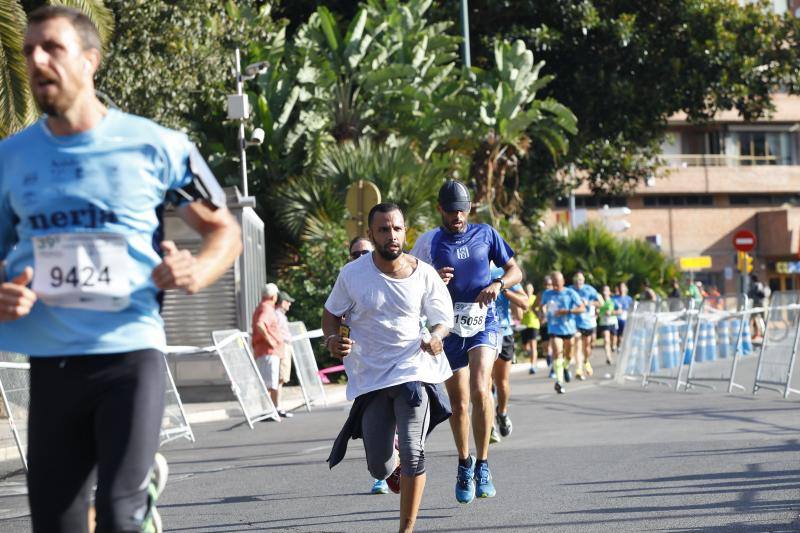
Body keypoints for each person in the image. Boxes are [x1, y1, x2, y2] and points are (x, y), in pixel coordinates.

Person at [0, 7, 242, 532]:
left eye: (52, 48)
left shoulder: (157, 145)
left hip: (130, 351)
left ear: (91, 60)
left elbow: (224, 231)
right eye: (28, 51)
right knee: (56, 523)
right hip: (51, 360)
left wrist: (196, 272)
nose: (36, 60)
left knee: (118, 512)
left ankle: (139, 500)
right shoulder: (10, 157)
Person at [325, 203, 454, 533]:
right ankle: (391, 469)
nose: (391, 235)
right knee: (379, 467)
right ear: (371, 234)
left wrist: (437, 337)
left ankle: (405, 529)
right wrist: (331, 340)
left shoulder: (423, 272)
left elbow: (442, 319)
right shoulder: (352, 275)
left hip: (414, 371)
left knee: (414, 452)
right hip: (371, 378)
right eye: (383, 229)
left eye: (396, 228)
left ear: (405, 231)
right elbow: (331, 314)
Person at [410, 179, 522, 503]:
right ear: (440, 210)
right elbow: (412, 283)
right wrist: (434, 279)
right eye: (450, 212)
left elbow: (515, 269)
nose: (457, 217)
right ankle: (464, 462)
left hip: (483, 321)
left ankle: (484, 463)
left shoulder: (485, 233)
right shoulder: (429, 241)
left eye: (461, 211)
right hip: (448, 328)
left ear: (469, 208)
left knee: (480, 387)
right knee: (458, 403)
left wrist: (499, 284)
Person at [346, 237, 394, 496]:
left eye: (366, 252)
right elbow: (334, 317)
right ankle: (382, 472)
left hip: (395, 362)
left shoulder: (394, 273)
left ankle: (396, 462)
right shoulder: (347, 281)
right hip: (363, 366)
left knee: (398, 416)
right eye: (356, 254)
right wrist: (336, 339)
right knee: (372, 423)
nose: (361, 256)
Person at [490, 266, 527, 439]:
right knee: (483, 384)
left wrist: (502, 287)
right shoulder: (469, 267)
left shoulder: (502, 272)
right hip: (480, 335)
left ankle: (502, 413)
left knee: (501, 383)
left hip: (503, 333)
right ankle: (488, 425)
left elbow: (524, 303)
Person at [540, 272, 585, 394]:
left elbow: (582, 308)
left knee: (569, 355)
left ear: (563, 282)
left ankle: (565, 366)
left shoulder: (570, 293)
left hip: (569, 329)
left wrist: (568, 311)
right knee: (557, 353)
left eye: (557, 283)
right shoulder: (547, 294)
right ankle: (559, 382)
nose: (554, 286)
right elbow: (539, 307)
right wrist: (542, 313)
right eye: (553, 283)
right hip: (554, 328)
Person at [251, 283, 288, 418]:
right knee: (269, 384)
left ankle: (271, 410)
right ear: (273, 296)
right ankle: (268, 411)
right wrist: (271, 341)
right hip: (268, 352)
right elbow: (260, 324)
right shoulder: (266, 308)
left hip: (266, 351)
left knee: (270, 383)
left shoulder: (262, 307)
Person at [569, 272, 603, 380]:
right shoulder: (570, 290)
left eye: (580, 280)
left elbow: (601, 303)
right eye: (576, 280)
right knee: (578, 345)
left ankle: (586, 361)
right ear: (574, 280)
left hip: (587, 322)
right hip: (575, 322)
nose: (578, 282)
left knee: (588, 346)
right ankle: (578, 369)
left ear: (583, 280)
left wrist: (589, 303)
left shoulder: (589, 289)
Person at [275, 290, 296, 418]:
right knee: (279, 378)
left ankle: (277, 406)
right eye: (288, 301)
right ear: (282, 302)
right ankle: (277, 407)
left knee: (281, 379)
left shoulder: (281, 315)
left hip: (284, 346)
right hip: (282, 347)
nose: (290, 304)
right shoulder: (277, 315)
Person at [520, 283, 540, 375]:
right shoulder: (522, 298)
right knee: (524, 346)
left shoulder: (535, 298)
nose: (528, 290)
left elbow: (539, 309)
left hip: (534, 324)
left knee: (533, 345)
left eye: (529, 289)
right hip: (524, 324)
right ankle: (533, 355)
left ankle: (533, 365)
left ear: (532, 290)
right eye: (526, 289)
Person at [597, 285, 620, 364]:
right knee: (606, 340)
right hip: (604, 323)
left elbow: (620, 311)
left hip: (613, 322)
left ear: (609, 292)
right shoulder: (599, 302)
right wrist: (597, 312)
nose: (604, 292)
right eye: (603, 290)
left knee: (613, 340)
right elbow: (596, 311)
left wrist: (612, 312)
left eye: (606, 290)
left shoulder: (613, 301)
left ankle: (614, 346)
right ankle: (608, 357)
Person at [612, 282, 633, 350]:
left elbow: (632, 310)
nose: (621, 289)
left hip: (625, 319)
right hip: (615, 319)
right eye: (620, 287)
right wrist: (615, 312)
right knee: (616, 335)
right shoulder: (614, 298)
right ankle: (616, 345)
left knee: (623, 334)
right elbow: (609, 309)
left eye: (623, 287)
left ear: (626, 288)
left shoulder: (629, 299)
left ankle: (621, 346)